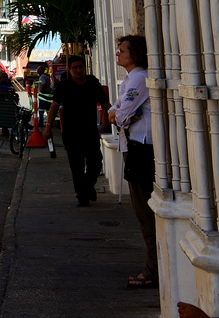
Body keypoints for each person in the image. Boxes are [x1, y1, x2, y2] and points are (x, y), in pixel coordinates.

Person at [110, 34, 157, 289]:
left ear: (135, 54)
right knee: (142, 211)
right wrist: (121, 115)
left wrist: (121, 116)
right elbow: (113, 113)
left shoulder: (139, 78)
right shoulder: (129, 80)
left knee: (145, 212)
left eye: (122, 50)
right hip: (133, 146)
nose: (118, 54)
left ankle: (153, 269)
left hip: (141, 148)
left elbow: (120, 115)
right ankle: (153, 266)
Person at [46, 53, 109, 206]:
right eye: (75, 68)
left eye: (81, 67)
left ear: (85, 68)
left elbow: (105, 104)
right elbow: (54, 107)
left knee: (96, 163)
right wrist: (48, 127)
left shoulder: (93, 83)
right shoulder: (64, 86)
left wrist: (109, 121)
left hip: (90, 131)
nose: (79, 70)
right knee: (77, 167)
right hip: (71, 133)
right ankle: (82, 197)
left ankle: (88, 186)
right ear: (69, 70)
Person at [36, 62, 58, 158]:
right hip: (47, 96)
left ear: (41, 70)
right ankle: (52, 121)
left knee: (41, 110)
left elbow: (44, 85)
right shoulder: (45, 76)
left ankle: (41, 122)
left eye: (38, 70)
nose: (37, 71)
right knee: (48, 110)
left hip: (44, 96)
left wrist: (40, 92)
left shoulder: (42, 77)